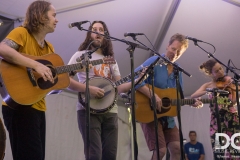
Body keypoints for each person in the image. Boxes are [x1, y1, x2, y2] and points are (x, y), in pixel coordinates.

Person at [67, 20, 141, 160]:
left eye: (101, 30)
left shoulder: (110, 60)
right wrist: (88, 89)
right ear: (89, 34)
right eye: (94, 29)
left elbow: (118, 88)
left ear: (105, 35)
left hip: (111, 111)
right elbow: (66, 81)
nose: (97, 32)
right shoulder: (80, 55)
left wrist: (137, 81)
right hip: (87, 110)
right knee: (94, 154)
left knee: (110, 155)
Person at [0, 1, 57, 160]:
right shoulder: (21, 33)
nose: (57, 20)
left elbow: (51, 82)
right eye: (53, 15)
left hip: (38, 108)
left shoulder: (49, 48)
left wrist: (70, 73)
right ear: (41, 15)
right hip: (18, 104)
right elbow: (2, 49)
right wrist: (35, 65)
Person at [134, 33, 190, 160]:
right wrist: (152, 95)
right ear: (167, 46)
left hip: (167, 116)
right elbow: (133, 80)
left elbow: (178, 95)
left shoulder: (178, 69)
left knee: (177, 149)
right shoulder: (154, 61)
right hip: (150, 113)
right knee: (160, 151)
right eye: (173, 49)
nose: (174, 54)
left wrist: (191, 101)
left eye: (179, 52)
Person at [190, 58, 240, 160]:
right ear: (211, 74)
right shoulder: (208, 85)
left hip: (232, 120)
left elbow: (234, 101)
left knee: (235, 154)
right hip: (216, 123)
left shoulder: (230, 81)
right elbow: (194, 95)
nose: (221, 72)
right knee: (219, 154)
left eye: (221, 68)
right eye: (217, 71)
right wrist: (211, 90)